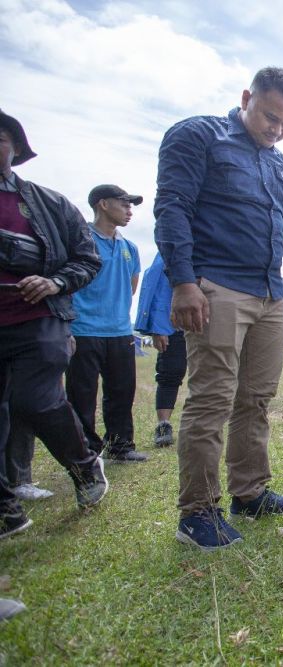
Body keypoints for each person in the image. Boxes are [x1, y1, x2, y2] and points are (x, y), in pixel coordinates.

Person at [155, 67, 283, 550]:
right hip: (217, 287)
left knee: (256, 399)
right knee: (211, 399)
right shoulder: (198, 135)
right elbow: (172, 207)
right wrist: (183, 282)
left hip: (270, 295)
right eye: (270, 117)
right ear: (246, 98)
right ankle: (198, 512)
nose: (277, 130)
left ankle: (250, 491)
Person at [0, 108, 109, 539]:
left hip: (38, 320)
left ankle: (84, 467)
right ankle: (6, 506)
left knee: (35, 399)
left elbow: (87, 259)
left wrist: (54, 281)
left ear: (15, 147)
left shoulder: (48, 203)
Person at [66, 184, 144, 462]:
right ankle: (86, 452)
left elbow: (132, 286)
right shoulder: (79, 241)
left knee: (122, 392)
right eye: (123, 204)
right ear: (103, 204)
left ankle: (121, 447)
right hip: (83, 329)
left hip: (120, 331)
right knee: (82, 396)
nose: (129, 210)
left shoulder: (129, 247)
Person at [134, 252, 187, 447]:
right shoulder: (172, 247)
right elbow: (157, 285)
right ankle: (163, 424)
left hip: (209, 321)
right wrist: (158, 326)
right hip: (175, 323)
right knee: (170, 372)